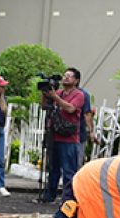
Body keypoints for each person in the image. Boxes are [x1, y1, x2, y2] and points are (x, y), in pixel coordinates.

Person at [41, 68, 86, 203]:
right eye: (65, 76)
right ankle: (50, 196)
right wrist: (45, 94)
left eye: (69, 76)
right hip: (54, 136)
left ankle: (68, 198)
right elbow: (44, 107)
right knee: (53, 169)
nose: (65, 78)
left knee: (68, 170)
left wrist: (54, 97)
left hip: (69, 138)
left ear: (76, 80)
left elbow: (71, 108)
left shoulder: (79, 95)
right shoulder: (59, 92)